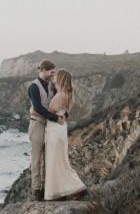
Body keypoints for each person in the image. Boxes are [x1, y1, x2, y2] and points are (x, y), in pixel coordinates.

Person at [44, 69, 87, 201]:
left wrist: (34, 111)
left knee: (56, 160)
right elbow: (63, 113)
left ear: (60, 78)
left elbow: (50, 113)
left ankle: (78, 188)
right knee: (59, 160)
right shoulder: (67, 94)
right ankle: (59, 191)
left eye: (56, 75)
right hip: (60, 129)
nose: (53, 76)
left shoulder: (59, 96)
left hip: (55, 130)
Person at [28, 60, 65, 201]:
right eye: (51, 72)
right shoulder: (33, 86)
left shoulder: (50, 85)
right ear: (43, 71)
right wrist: (55, 118)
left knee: (47, 158)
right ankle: (36, 191)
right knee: (36, 159)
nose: (53, 74)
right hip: (37, 125)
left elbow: (57, 103)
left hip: (49, 126)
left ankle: (46, 189)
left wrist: (62, 115)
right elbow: (37, 107)